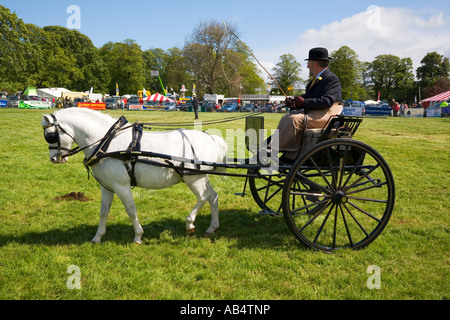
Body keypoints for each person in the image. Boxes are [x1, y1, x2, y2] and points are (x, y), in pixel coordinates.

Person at [268, 47, 342, 163]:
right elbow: (306, 100)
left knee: (294, 119)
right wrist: (293, 104)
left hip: (328, 115)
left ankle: (271, 148)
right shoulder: (315, 81)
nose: (307, 66)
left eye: (308, 63)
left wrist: (303, 102)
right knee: (287, 116)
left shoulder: (331, 79)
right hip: (317, 113)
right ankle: (288, 154)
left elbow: (327, 101)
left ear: (315, 64)